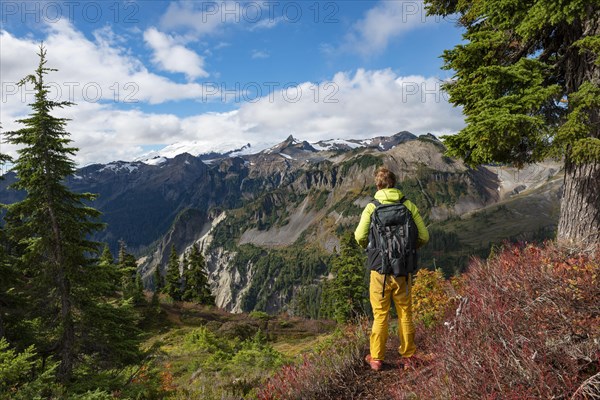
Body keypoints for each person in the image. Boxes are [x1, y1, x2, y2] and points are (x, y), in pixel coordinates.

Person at [354, 166, 429, 371]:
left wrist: (373, 250)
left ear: (377, 185)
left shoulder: (371, 207)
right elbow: (424, 236)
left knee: (380, 314)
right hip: (403, 270)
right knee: (405, 312)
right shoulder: (409, 205)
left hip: (379, 270)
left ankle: (377, 358)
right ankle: (409, 355)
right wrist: (408, 250)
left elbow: (360, 236)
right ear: (394, 183)